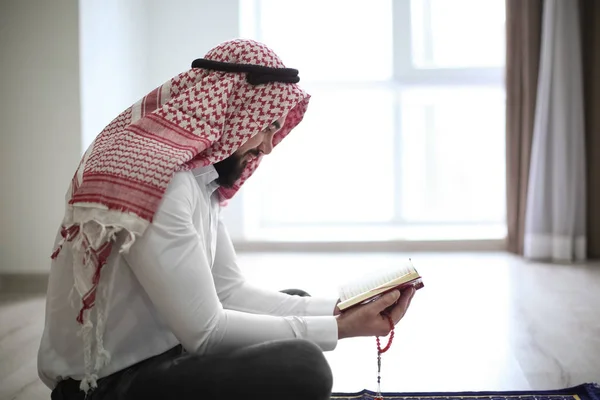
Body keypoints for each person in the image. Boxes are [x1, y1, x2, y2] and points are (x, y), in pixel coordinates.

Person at [38, 39, 416, 400]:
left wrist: (340, 311)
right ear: (233, 111)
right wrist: (341, 329)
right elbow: (207, 333)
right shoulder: (162, 185)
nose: (268, 146)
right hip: (108, 385)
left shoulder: (198, 181)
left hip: (172, 351)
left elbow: (230, 293)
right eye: (268, 126)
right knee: (302, 365)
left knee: (297, 306)